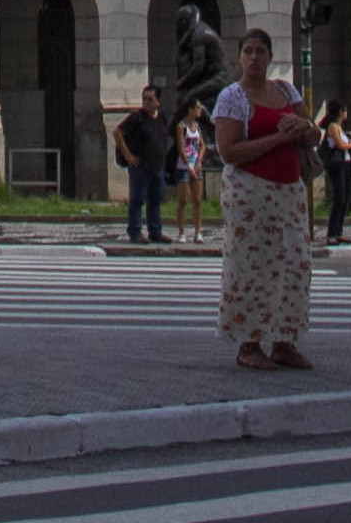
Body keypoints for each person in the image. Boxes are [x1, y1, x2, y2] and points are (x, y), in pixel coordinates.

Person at [212, 27, 315, 371]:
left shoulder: (285, 90)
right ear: (239, 57)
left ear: (271, 57)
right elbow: (230, 151)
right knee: (251, 267)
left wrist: (303, 128)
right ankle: (249, 343)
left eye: (261, 51)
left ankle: (285, 340)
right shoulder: (232, 97)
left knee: (295, 263)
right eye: (248, 51)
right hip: (250, 192)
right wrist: (277, 137)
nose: (254, 57)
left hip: (289, 192)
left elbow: (310, 126)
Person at [115, 84, 172, 245]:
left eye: (150, 99)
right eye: (144, 99)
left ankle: (155, 231)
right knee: (137, 200)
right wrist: (128, 155)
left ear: (158, 101)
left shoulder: (161, 117)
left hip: (157, 166)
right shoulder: (137, 117)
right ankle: (135, 232)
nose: (146, 102)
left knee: (155, 200)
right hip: (140, 167)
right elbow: (118, 132)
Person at [318, 99, 351, 246]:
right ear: (341, 112)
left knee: (345, 199)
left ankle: (339, 232)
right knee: (339, 198)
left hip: (346, 164)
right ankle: (332, 233)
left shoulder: (341, 127)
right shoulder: (333, 127)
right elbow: (340, 145)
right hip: (337, 165)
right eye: (345, 110)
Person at [172, 99, 209, 243]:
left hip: (196, 165)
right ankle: (181, 232)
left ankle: (198, 231)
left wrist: (199, 161)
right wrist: (189, 166)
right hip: (184, 166)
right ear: (190, 109)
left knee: (197, 200)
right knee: (183, 200)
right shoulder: (181, 126)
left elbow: (202, 145)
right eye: (198, 108)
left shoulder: (197, 127)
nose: (200, 111)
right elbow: (181, 148)